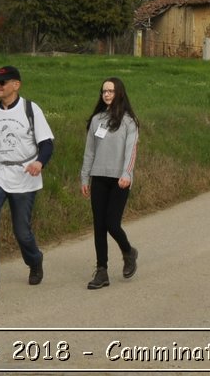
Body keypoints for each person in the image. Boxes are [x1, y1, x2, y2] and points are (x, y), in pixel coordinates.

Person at [0, 65, 54, 304]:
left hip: (24, 174)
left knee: (22, 231)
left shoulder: (31, 109)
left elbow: (47, 144)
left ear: (16, 85)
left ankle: (34, 259)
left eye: (3, 82)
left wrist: (39, 163)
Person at [80, 76, 140, 290]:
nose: (106, 94)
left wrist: (126, 173)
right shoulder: (96, 120)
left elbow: (131, 150)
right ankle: (102, 270)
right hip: (98, 177)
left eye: (111, 91)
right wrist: (84, 176)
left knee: (112, 223)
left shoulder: (128, 121)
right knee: (99, 225)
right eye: (104, 91)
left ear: (119, 93)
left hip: (119, 180)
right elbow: (90, 151)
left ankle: (128, 251)